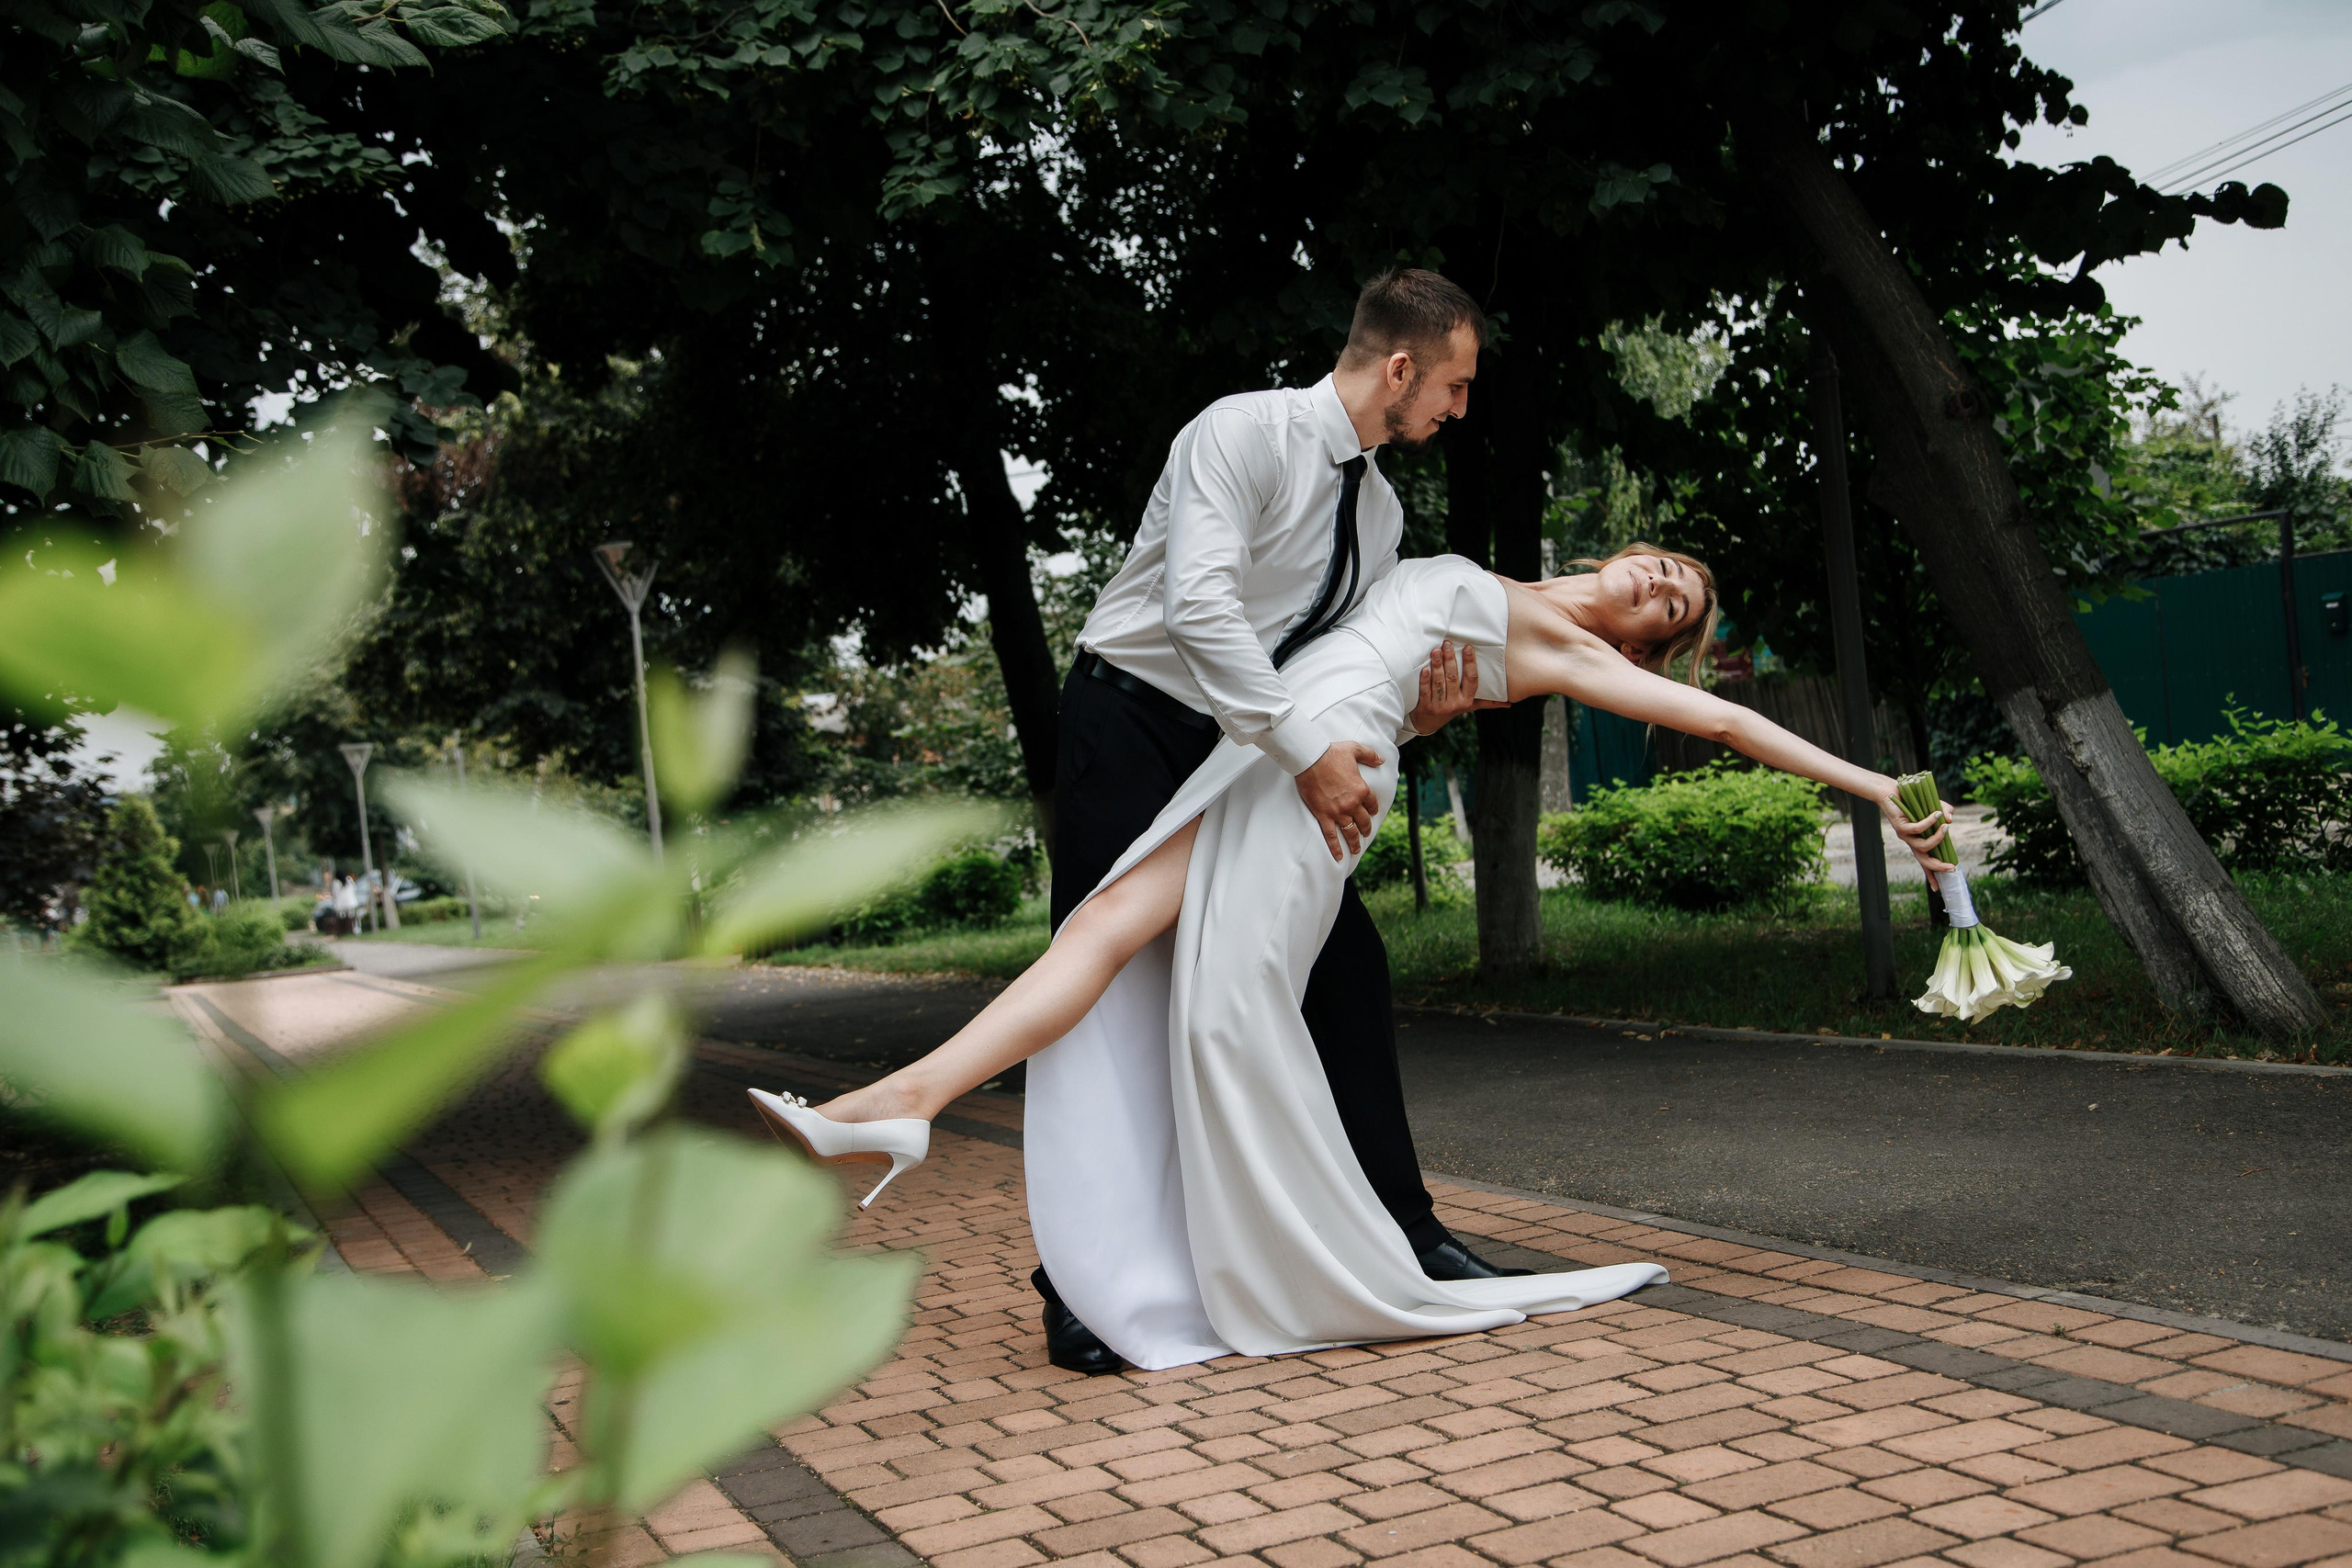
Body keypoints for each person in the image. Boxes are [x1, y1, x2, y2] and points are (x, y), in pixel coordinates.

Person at [752, 542, 1957, 1371]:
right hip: (1274, 741)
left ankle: (1227, 1242)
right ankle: (910, 1101)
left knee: (1219, 1006)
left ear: (1650, 644)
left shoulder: (1578, 658)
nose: (1662, 588)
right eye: (1669, 569)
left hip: (1320, 777)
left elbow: (1735, 723)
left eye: (1675, 608)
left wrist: (1882, 789)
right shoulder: (1485, 575)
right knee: (1105, 926)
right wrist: (1424, 703)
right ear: (1631, 546)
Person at [976, 268, 1515, 1375]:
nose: (1458, 412)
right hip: (1129, 720)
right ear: (1400, 368)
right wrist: (1305, 753)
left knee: (1345, 967)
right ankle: (1072, 1284)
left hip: (1247, 746)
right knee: (1106, 991)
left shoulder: (1380, 509)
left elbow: (1335, 665)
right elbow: (1197, 606)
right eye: (1453, 387)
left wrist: (1419, 710)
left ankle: (1404, 1234)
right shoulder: (1240, 434)